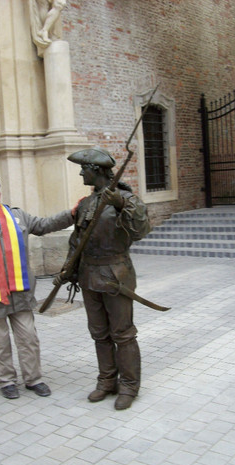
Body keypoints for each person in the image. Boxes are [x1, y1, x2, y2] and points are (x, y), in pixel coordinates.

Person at [0, 177, 76, 400]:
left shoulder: (18, 217)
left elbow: (44, 225)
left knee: (28, 338)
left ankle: (34, 379)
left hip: (20, 292)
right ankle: (7, 381)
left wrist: (71, 214)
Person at [56, 147, 151, 410]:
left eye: (83, 168)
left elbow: (141, 229)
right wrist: (68, 270)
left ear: (95, 170)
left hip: (115, 275)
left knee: (123, 334)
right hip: (89, 275)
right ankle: (107, 381)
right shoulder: (86, 203)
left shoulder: (125, 199)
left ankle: (129, 385)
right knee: (99, 333)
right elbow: (77, 241)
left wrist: (121, 204)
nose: (80, 172)